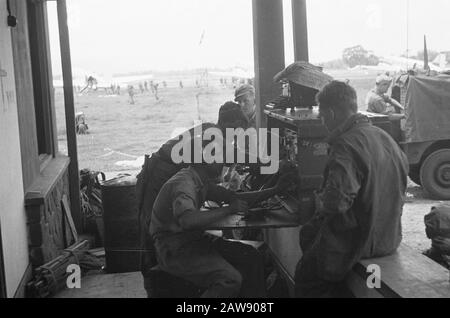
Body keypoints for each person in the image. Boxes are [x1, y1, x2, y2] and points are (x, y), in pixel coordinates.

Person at [294, 81, 409, 297]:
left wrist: (319, 202)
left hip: (357, 244)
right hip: (389, 238)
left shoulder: (346, 146)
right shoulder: (386, 139)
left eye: (322, 115)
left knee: (305, 275)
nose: (321, 121)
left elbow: (336, 204)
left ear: (331, 112)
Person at [137, 102, 250, 288]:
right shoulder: (214, 136)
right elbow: (230, 156)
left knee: (161, 229)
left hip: (165, 171)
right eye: (238, 132)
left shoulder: (212, 131)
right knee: (157, 231)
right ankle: (159, 283)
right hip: (160, 174)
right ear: (231, 125)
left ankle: (164, 277)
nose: (237, 138)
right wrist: (264, 162)